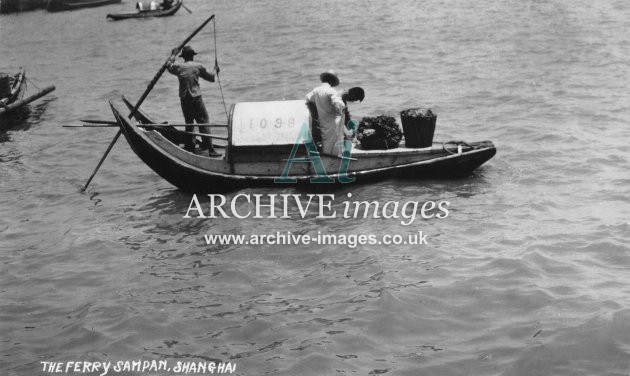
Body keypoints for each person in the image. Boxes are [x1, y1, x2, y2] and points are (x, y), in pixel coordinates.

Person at [167, 45, 221, 157]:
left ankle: (190, 146)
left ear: (184, 57)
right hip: (196, 99)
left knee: (189, 122)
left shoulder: (179, 67)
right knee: (204, 121)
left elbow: (168, 65)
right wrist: (215, 69)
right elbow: (211, 78)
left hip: (184, 99)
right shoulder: (198, 66)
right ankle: (210, 149)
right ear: (192, 56)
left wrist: (173, 54)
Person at [305, 70, 348, 156]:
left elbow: (308, 98)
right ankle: (335, 157)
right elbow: (339, 105)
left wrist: (314, 112)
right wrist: (341, 95)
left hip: (323, 120)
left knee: (326, 140)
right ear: (332, 82)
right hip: (333, 122)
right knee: (335, 142)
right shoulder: (331, 91)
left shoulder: (316, 90)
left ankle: (326, 156)